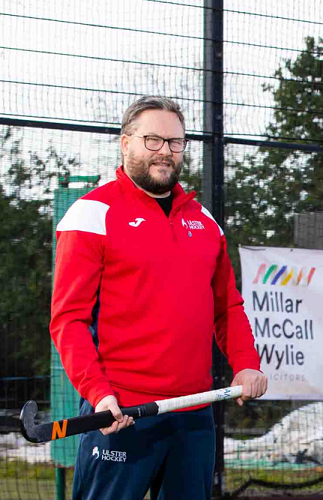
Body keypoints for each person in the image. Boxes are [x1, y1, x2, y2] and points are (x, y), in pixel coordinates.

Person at [49, 96, 267, 500]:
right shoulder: (91, 214)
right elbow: (69, 320)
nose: (165, 151)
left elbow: (227, 308)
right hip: (120, 413)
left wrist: (246, 364)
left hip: (194, 416)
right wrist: (98, 393)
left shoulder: (205, 223)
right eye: (153, 140)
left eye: (175, 142)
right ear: (126, 143)